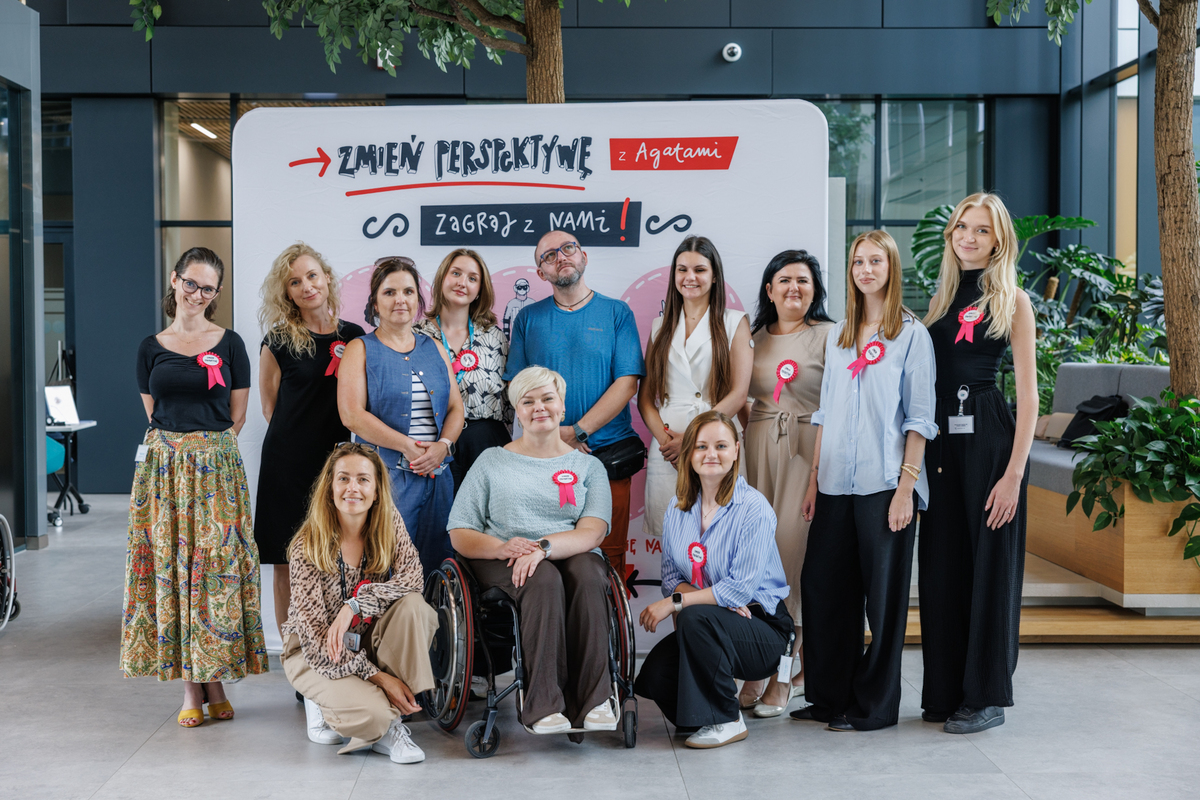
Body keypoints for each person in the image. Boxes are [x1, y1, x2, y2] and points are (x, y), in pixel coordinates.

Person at [791, 230, 937, 732]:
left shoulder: (912, 335)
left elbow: (920, 419)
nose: (866, 269)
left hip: (884, 485)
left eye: (875, 261)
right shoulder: (840, 334)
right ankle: (830, 698)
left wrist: (905, 488)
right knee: (825, 588)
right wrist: (813, 480)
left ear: (891, 268)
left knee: (884, 598)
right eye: (858, 261)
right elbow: (825, 411)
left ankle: (874, 707)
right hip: (834, 483)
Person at [124, 246, 269, 727]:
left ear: (217, 293)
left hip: (216, 470)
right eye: (191, 283)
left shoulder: (230, 344)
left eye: (208, 288)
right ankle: (193, 688)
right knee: (173, 570)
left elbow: (238, 415)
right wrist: (178, 451)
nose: (197, 294)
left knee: (215, 572)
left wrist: (204, 452)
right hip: (164, 472)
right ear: (174, 280)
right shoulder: (150, 346)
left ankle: (216, 677)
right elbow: (154, 413)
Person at [919, 193, 1037, 734]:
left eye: (982, 230)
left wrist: (1013, 474)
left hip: (989, 437)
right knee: (943, 565)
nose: (968, 236)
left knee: (991, 567)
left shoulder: (1012, 299)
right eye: (962, 226)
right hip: (942, 438)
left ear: (999, 240)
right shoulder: (939, 300)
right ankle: (946, 691)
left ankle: (986, 696)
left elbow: (1030, 396)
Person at [447, 366, 616, 734]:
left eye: (547, 398)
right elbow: (459, 531)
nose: (539, 407)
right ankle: (543, 705)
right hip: (501, 555)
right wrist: (502, 547)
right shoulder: (492, 461)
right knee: (541, 578)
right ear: (517, 412)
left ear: (562, 405)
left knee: (588, 573)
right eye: (528, 401)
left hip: (566, 552)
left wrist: (543, 547)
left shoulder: (587, 466)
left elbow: (593, 530)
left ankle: (597, 700)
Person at [634, 411, 790, 749]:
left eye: (720, 445)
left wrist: (683, 602)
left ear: (736, 450)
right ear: (689, 454)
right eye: (701, 446)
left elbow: (739, 590)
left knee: (694, 615)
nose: (711, 454)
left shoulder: (754, 508)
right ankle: (701, 715)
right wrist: (714, 602)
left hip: (762, 627)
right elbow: (671, 578)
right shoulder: (677, 509)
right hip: (715, 620)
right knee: (657, 674)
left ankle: (726, 719)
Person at [281, 443, 438, 764]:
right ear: (330, 487)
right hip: (313, 651)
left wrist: (352, 606)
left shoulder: (388, 521)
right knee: (374, 716)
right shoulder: (306, 546)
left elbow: (413, 579)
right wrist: (381, 678)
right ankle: (346, 706)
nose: (353, 487)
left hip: (365, 633)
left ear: (377, 489)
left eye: (363, 479)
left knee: (414, 605)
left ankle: (386, 712)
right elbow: (315, 643)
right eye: (343, 479)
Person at [504, 231, 645, 579]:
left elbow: (627, 383)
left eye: (568, 248)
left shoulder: (617, 313)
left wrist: (577, 431)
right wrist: (557, 438)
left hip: (608, 454)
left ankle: (609, 631)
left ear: (583, 256)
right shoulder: (528, 319)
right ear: (541, 273)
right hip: (544, 461)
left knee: (610, 557)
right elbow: (517, 387)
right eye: (549, 255)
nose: (561, 257)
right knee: (546, 556)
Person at [737, 249, 835, 717]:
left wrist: (818, 467)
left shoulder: (829, 336)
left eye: (804, 280)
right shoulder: (752, 337)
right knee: (757, 558)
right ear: (770, 289)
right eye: (784, 280)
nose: (794, 288)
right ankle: (759, 663)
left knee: (789, 558)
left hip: (806, 449)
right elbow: (741, 396)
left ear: (814, 290)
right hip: (758, 446)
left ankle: (786, 673)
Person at [256, 242, 366, 637]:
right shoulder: (279, 340)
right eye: (294, 282)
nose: (306, 286)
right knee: (287, 562)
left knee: (334, 559)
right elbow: (270, 408)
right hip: (285, 465)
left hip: (336, 465)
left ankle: (331, 647)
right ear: (286, 292)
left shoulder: (354, 336)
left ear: (328, 278)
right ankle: (293, 655)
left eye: (311, 276)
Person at [338, 257, 464, 577]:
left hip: (438, 476)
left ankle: (434, 628)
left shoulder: (434, 346)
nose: (400, 300)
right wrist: (408, 446)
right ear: (375, 304)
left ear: (418, 301)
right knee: (385, 564)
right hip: (386, 479)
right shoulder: (360, 348)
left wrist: (444, 445)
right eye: (389, 292)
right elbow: (351, 415)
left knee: (439, 562)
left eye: (408, 291)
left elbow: (455, 408)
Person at [638, 236, 751, 543]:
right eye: (682, 269)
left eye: (700, 269)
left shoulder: (734, 322)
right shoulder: (659, 327)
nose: (690, 277)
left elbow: (739, 394)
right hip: (667, 448)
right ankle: (681, 593)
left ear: (715, 276)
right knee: (675, 537)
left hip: (717, 438)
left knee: (722, 535)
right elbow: (646, 399)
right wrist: (666, 441)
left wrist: (689, 440)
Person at [414, 248, 511, 490]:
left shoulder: (495, 337)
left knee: (486, 523)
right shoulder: (415, 335)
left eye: (472, 278)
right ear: (441, 279)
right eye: (455, 273)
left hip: (486, 443)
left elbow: (509, 402)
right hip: (432, 444)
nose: (462, 283)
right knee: (437, 523)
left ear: (480, 289)